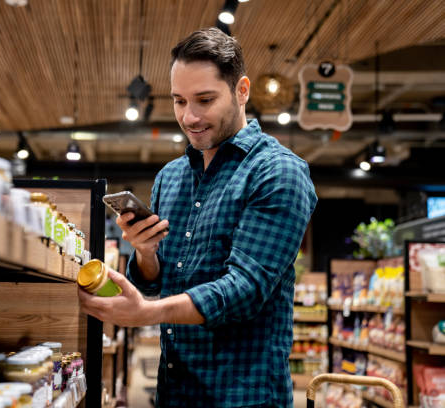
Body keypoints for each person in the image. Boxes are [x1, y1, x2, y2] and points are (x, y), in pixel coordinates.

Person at [78, 27, 317, 408]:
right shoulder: (170, 178)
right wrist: (146, 253)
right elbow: (159, 280)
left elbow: (245, 289)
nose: (189, 117)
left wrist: (144, 314)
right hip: (175, 390)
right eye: (178, 101)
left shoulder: (277, 173)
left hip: (245, 395)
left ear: (242, 91)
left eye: (205, 100)